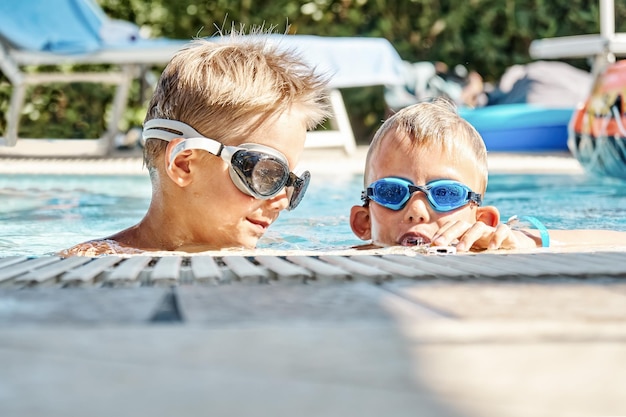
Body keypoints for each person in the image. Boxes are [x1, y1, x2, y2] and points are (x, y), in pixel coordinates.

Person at [62, 30, 329, 256]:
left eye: (290, 183)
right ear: (183, 164)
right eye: (267, 174)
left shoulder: (280, 253)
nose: (281, 201)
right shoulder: (93, 260)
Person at [349, 98, 626, 252]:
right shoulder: (350, 255)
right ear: (363, 222)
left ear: (483, 220)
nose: (417, 211)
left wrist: (523, 240)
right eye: (392, 192)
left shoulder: (495, 243)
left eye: (444, 193)